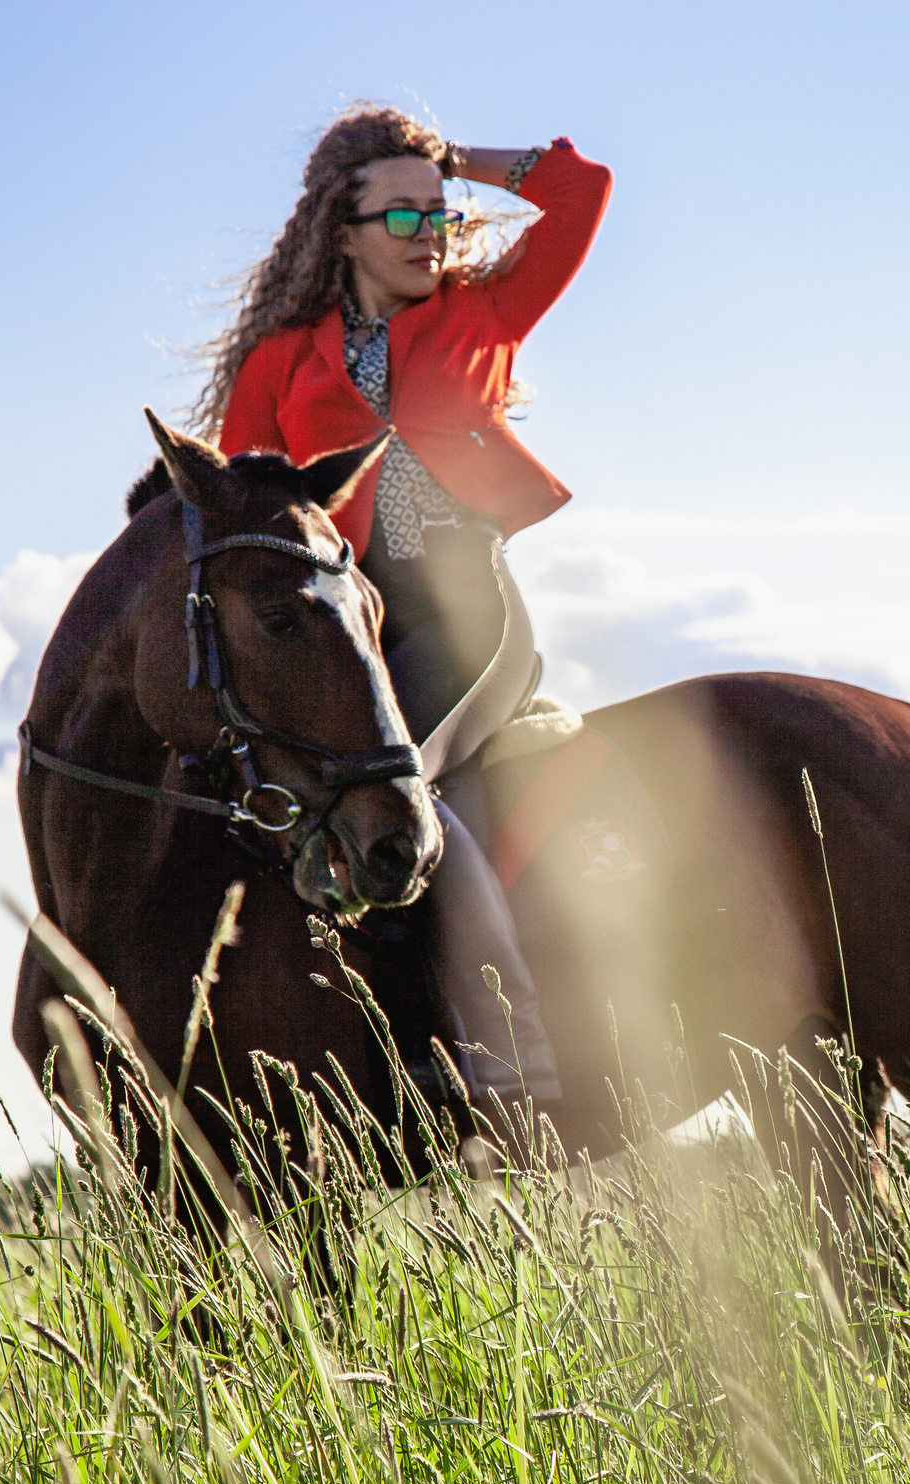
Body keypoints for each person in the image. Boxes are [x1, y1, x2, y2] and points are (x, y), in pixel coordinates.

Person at [195, 102, 612, 1116]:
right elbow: (241, 499)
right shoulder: (280, 363)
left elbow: (581, 191)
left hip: (470, 613)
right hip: (351, 631)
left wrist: (446, 160)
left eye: (440, 214)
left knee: (397, 787)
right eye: (401, 218)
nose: (429, 235)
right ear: (339, 230)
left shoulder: (484, 312)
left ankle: (516, 1073)